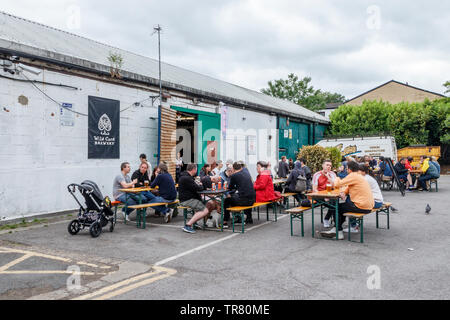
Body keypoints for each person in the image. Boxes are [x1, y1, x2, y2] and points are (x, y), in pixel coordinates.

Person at [321, 161, 374, 240]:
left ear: (349, 169)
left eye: (346, 168)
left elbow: (338, 184)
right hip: (368, 205)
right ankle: (336, 229)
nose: (346, 170)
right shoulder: (358, 176)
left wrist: (336, 177)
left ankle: (338, 232)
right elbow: (349, 187)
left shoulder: (353, 176)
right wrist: (344, 193)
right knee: (341, 207)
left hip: (361, 206)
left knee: (336, 208)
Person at [179, 164, 216, 234]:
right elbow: (197, 188)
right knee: (205, 211)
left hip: (189, 198)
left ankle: (194, 223)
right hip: (187, 200)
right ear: (193, 170)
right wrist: (201, 186)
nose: (196, 171)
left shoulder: (187, 177)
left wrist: (200, 186)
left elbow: (196, 187)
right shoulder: (187, 178)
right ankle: (188, 225)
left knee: (205, 204)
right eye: (196, 169)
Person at [312, 159, 337, 228]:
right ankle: (334, 223)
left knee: (334, 203)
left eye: (330, 166)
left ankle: (328, 220)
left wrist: (328, 177)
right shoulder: (316, 175)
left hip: (329, 195)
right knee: (334, 205)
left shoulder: (332, 174)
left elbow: (335, 187)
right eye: (327, 165)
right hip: (318, 196)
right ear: (323, 166)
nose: (329, 167)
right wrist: (323, 196)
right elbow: (314, 189)